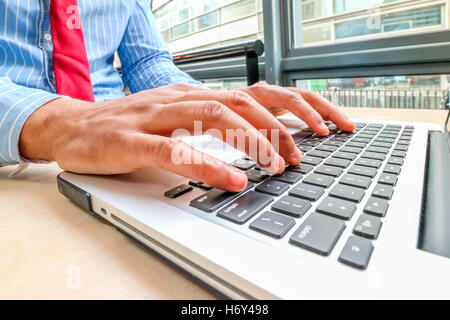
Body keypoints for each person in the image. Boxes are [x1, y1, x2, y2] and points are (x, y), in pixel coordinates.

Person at [0, 0, 355, 192]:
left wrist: (210, 101)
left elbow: (148, 63)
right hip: (14, 163)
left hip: (123, 151)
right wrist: (61, 123)